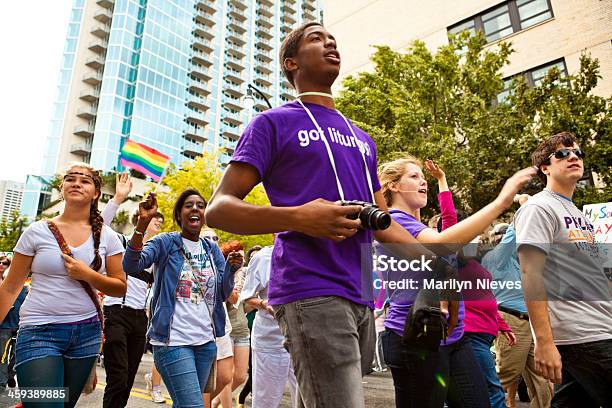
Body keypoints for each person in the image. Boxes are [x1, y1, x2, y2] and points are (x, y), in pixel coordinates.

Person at [205, 21, 459, 407]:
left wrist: (436, 270)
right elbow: (219, 208)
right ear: (291, 63)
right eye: (315, 39)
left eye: (333, 40)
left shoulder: (363, 139)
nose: (329, 44)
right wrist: (297, 217)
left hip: (360, 295)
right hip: (310, 289)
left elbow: (382, 220)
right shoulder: (271, 123)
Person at [376, 156, 533, 407]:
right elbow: (444, 242)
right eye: (414, 177)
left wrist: (442, 180)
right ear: (393, 185)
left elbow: (448, 223)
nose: (422, 182)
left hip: (454, 338)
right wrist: (501, 202)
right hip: (417, 340)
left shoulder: (417, 225)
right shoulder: (394, 220)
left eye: (423, 178)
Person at [0, 162, 127, 408]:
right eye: (71, 178)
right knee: (45, 405)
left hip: (86, 335)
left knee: (62, 405)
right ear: (62, 187)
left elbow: (119, 287)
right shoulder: (36, 231)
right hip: (39, 332)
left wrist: (87, 274)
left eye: (85, 180)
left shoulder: (109, 237)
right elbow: (9, 287)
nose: (77, 183)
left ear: (96, 193)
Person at [514, 131, 612, 407]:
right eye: (562, 154)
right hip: (583, 334)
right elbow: (530, 274)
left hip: (599, 327)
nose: (573, 157)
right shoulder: (539, 208)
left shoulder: (578, 214)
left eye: (578, 153)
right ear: (545, 167)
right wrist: (543, 342)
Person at [123, 189, 243, 408]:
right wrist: (142, 224)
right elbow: (131, 265)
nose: (195, 208)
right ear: (179, 215)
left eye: (200, 205)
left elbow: (223, 294)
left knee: (185, 404)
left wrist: (231, 270)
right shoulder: (165, 243)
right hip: (172, 341)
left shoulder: (211, 249)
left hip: (206, 343)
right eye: (188, 205)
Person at [101, 172, 164, 408]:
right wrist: (117, 198)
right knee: (117, 379)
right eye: (155, 216)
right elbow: (98, 228)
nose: (158, 220)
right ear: (141, 217)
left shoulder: (157, 256)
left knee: (127, 382)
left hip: (140, 320)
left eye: (161, 219)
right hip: (116, 313)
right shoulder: (119, 242)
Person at [482, 202, 552, 408]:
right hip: (512, 320)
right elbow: (511, 238)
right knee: (504, 375)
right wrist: (526, 209)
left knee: (542, 379)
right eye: (498, 235)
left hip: (531, 323)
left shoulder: (522, 262)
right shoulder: (496, 258)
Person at [240, 245, 298, 408]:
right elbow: (247, 297)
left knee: (308, 401)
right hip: (270, 340)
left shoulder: (312, 253)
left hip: (304, 339)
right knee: (266, 401)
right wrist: (264, 304)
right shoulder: (263, 257)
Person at [212, 241, 250, 408]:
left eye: (242, 256)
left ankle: (214, 401)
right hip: (227, 330)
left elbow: (245, 306)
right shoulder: (224, 277)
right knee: (226, 376)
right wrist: (235, 279)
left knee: (241, 376)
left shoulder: (245, 276)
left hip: (242, 329)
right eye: (237, 256)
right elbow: (233, 299)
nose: (241, 259)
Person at [0, 259, 27, 394]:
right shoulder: (3, 288)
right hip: (4, 327)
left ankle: (10, 374)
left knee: (18, 355)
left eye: (5, 263)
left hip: (20, 326)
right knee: (3, 356)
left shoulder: (26, 290)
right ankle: (1, 382)